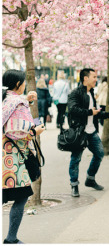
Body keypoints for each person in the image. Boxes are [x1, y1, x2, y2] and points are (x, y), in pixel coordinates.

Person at [2, 70, 45, 244]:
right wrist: (35, 131)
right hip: (13, 161)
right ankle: (11, 239)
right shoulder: (17, 103)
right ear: (18, 84)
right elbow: (14, 130)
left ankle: (11, 238)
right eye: (23, 82)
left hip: (7, 157)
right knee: (21, 196)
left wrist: (27, 99)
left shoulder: (7, 99)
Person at [67, 68, 109, 197]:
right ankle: (74, 185)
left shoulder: (91, 93)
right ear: (85, 78)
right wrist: (90, 112)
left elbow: (94, 113)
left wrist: (108, 115)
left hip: (91, 131)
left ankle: (90, 179)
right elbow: (73, 109)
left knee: (100, 153)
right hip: (79, 132)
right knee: (76, 159)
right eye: (94, 77)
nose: (96, 79)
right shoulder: (75, 93)